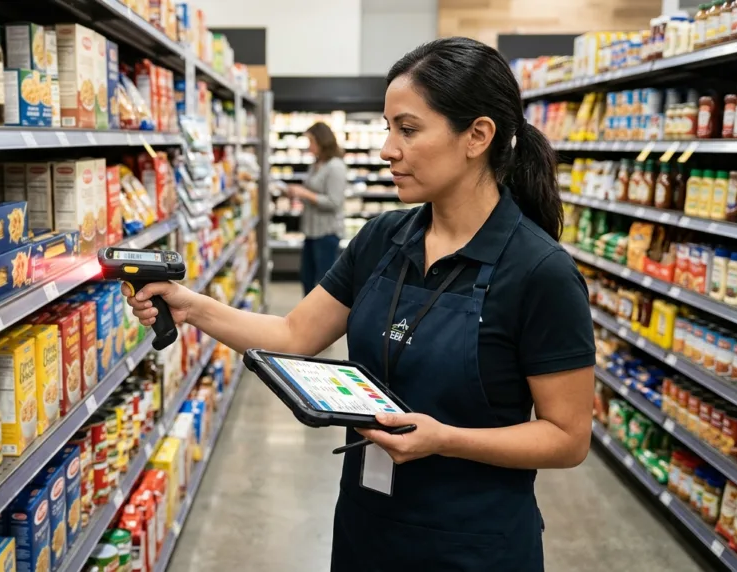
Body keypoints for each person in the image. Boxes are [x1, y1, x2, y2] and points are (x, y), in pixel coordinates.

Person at [124, 37, 594, 571]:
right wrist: (190, 307)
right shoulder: (382, 238)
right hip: (366, 525)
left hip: (471, 543)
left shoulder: (539, 271)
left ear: (477, 136)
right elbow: (295, 335)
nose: (387, 149)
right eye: (389, 127)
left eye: (408, 129)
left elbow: (567, 437)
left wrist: (445, 440)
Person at [287, 122, 346, 294]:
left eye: (311, 141)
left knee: (323, 284)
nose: (309, 146)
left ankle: (324, 320)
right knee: (307, 278)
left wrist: (304, 194)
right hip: (311, 231)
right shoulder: (316, 164)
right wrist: (293, 193)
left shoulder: (335, 166)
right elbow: (311, 192)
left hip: (326, 234)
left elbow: (334, 202)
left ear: (323, 141)